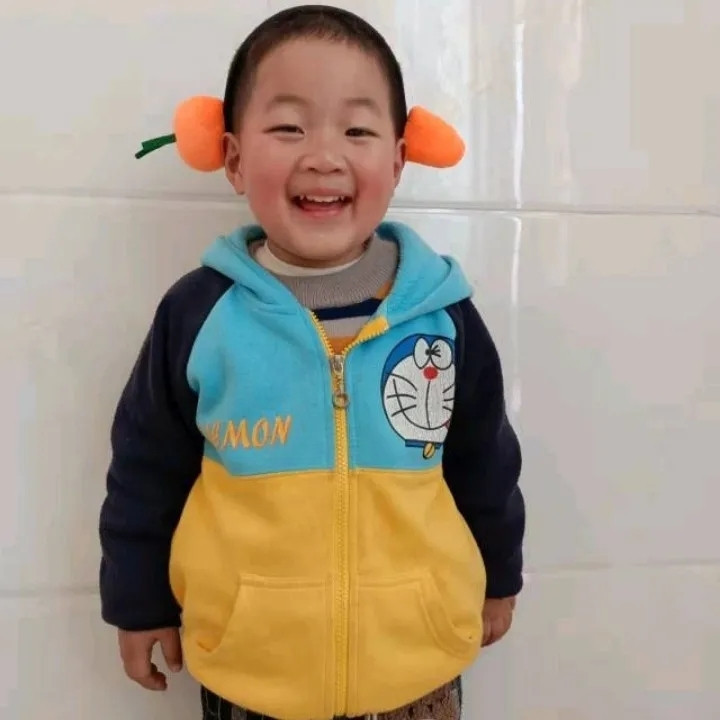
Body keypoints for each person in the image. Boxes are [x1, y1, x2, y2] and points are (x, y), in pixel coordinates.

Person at [99, 5, 525, 720]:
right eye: (289, 128)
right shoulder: (199, 316)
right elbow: (145, 470)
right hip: (249, 671)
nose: (324, 156)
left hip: (417, 666)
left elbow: (486, 460)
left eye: (357, 131)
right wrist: (138, 602)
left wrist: (500, 574)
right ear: (233, 157)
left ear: (398, 160)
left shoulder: (442, 316)